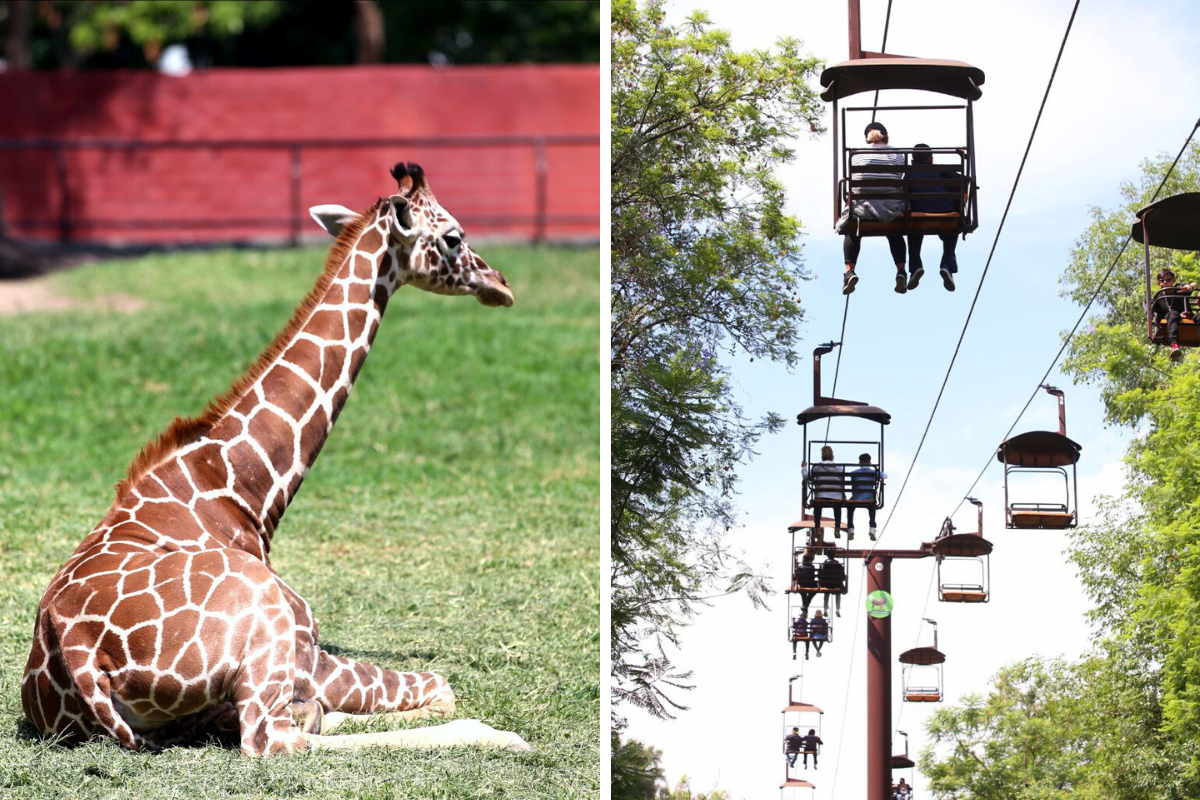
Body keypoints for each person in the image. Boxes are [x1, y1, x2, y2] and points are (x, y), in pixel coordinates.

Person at [841, 121, 909, 295]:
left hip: (862, 207)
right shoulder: (897, 154)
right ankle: (901, 270)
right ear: (885, 136)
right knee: (895, 231)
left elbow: (852, 178)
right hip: (890, 207)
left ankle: (849, 271)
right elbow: (900, 176)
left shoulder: (855, 155)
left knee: (853, 229)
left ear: (867, 138)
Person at [906, 142, 961, 292]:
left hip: (918, 217)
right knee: (953, 228)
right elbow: (962, 181)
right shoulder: (941, 170)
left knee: (913, 229)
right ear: (931, 159)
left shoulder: (909, 173)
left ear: (912, 161)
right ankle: (947, 264)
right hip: (944, 214)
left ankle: (915, 266)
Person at [1151, 267, 1198, 362]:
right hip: (1171, 320)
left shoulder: (1179, 288)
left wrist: (1190, 287)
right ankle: (1174, 345)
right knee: (1172, 313)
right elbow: (1154, 314)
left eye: (1168, 279)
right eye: (1162, 280)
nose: (1165, 282)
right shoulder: (1158, 297)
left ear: (1173, 280)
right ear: (1158, 283)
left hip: (1189, 317)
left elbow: (1195, 284)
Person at [803, 446, 846, 538]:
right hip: (836, 496)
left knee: (818, 506)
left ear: (822, 456)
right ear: (832, 456)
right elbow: (842, 481)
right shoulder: (839, 468)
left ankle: (817, 527)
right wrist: (843, 495)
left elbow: (807, 477)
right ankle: (837, 527)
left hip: (821, 495)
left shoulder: (817, 467)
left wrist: (804, 468)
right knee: (837, 507)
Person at [846, 453, 886, 540]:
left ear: (860, 462)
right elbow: (884, 475)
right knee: (872, 507)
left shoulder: (854, 473)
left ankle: (850, 528)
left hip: (856, 498)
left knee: (850, 507)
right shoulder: (873, 472)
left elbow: (853, 484)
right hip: (868, 498)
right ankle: (872, 527)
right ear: (869, 462)